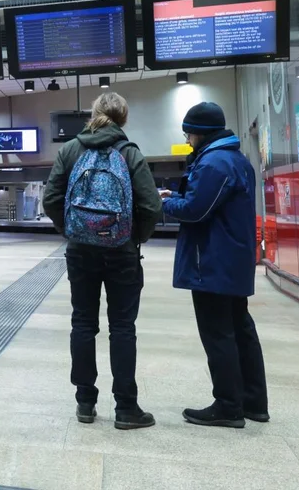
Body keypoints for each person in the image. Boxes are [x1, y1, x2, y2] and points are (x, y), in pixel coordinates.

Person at [43, 92, 162, 430]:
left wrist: (72, 229)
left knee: (83, 323)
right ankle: (126, 408)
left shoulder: (70, 150)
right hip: (121, 251)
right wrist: (133, 236)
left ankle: (85, 402)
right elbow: (152, 207)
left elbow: (50, 199)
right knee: (122, 327)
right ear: (123, 119)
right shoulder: (130, 153)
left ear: (92, 115)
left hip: (80, 252)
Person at [161, 102, 267, 428]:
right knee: (240, 329)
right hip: (231, 259)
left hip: (212, 262)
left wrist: (166, 202)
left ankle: (227, 405)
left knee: (218, 333)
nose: (187, 139)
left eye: (189, 133)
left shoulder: (215, 163)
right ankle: (253, 402)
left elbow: (196, 210)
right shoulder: (236, 160)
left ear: (201, 132)